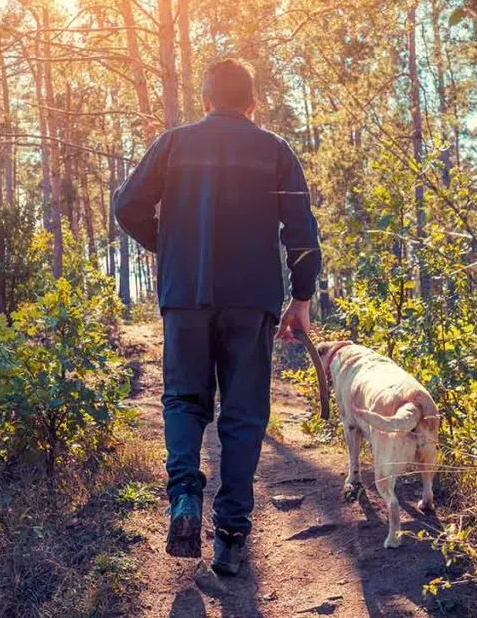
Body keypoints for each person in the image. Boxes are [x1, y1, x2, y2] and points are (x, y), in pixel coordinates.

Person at [113, 59, 322, 576]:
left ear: (205, 101)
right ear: (253, 104)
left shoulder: (172, 143)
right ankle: (231, 533)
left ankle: (184, 497)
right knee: (244, 413)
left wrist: (170, 245)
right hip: (252, 299)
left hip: (185, 296)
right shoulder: (275, 150)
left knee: (183, 401)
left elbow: (127, 207)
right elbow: (300, 232)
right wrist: (300, 299)